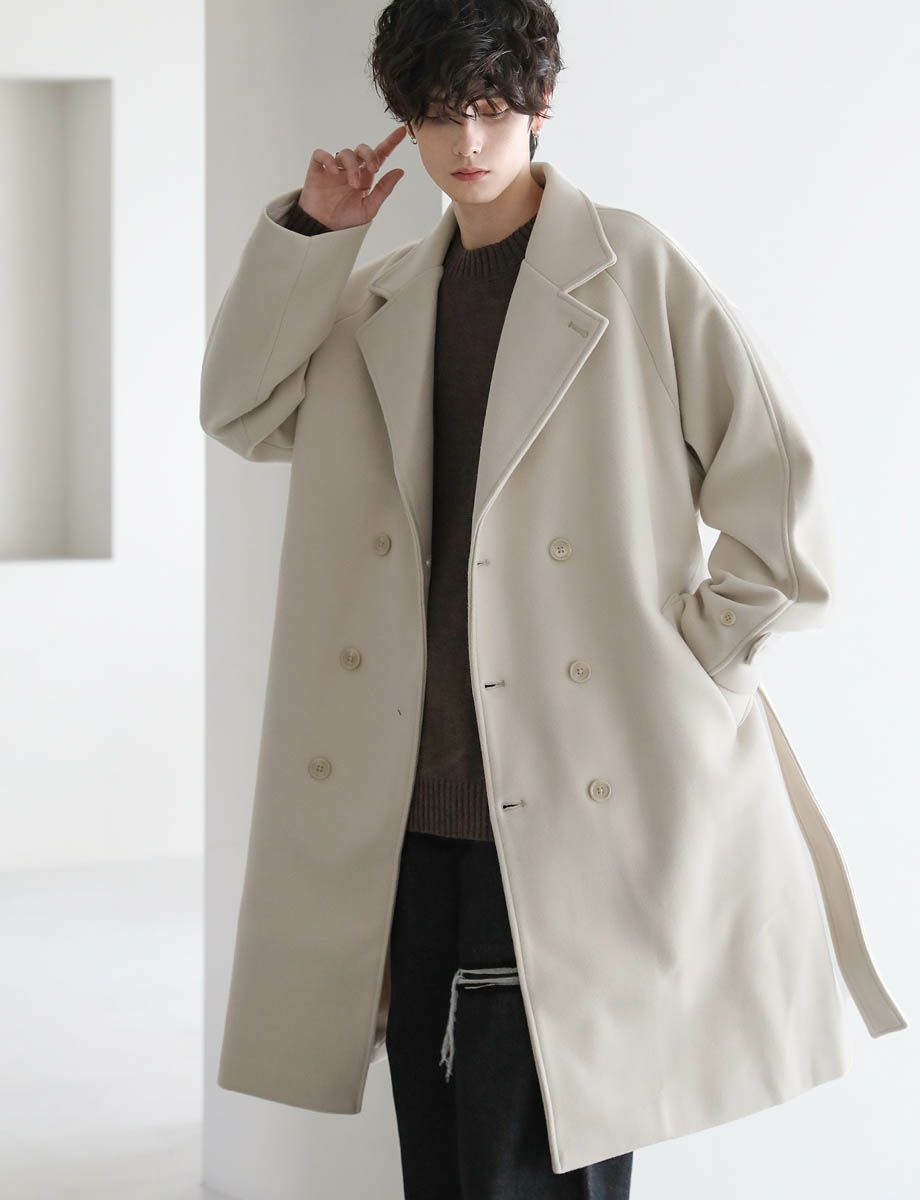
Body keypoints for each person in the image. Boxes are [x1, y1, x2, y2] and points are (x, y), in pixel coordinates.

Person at [270, 4, 633, 1196]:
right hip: (417, 798)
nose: (467, 140)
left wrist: (680, 661)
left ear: (539, 107)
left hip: (561, 791)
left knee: (548, 1154)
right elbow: (240, 411)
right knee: (438, 1159)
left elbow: (779, 506)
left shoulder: (629, 272)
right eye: (437, 113)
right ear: (406, 124)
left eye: (490, 107)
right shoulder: (382, 299)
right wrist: (315, 235)